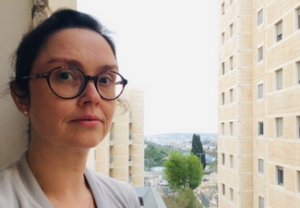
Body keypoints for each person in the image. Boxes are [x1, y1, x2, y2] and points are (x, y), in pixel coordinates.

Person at [0, 9, 140, 208]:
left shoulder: (124, 198)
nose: (93, 97)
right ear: (22, 96)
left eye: (105, 79)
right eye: (65, 75)